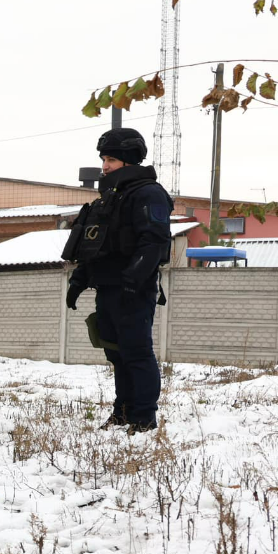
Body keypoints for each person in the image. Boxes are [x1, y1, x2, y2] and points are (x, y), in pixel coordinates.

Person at [63, 127, 173, 433]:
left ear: (129, 161)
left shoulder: (148, 194)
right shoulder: (109, 199)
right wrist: (79, 280)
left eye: (110, 159)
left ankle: (144, 416)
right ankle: (123, 411)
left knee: (136, 353)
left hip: (134, 290)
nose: (104, 166)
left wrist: (132, 281)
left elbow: (154, 242)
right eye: (103, 159)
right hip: (108, 289)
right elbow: (96, 246)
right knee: (117, 354)